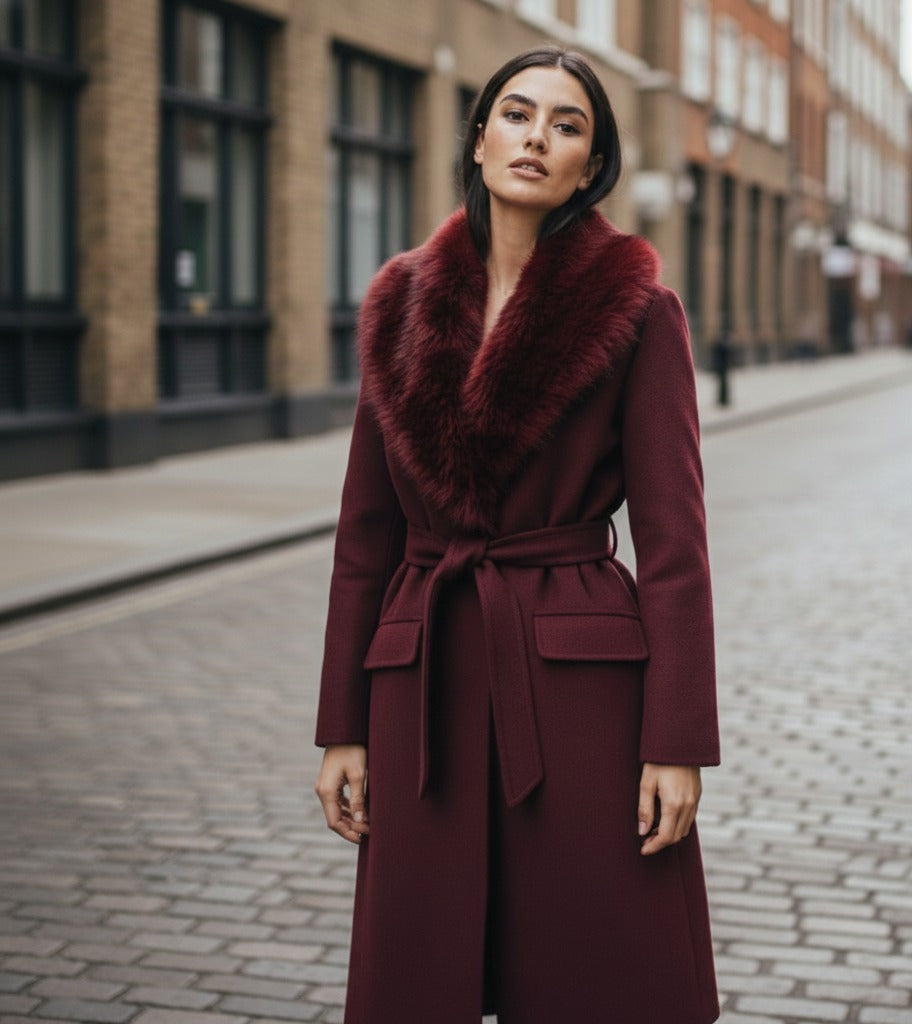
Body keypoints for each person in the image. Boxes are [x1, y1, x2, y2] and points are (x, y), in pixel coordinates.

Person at [315, 45, 720, 1024]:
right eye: (518, 112)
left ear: (592, 165)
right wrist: (341, 725)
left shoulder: (638, 311)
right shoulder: (400, 302)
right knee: (425, 970)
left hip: (579, 679)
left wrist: (677, 742)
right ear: (480, 134)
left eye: (568, 124)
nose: (537, 136)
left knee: (596, 967)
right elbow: (363, 535)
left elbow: (675, 545)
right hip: (424, 675)